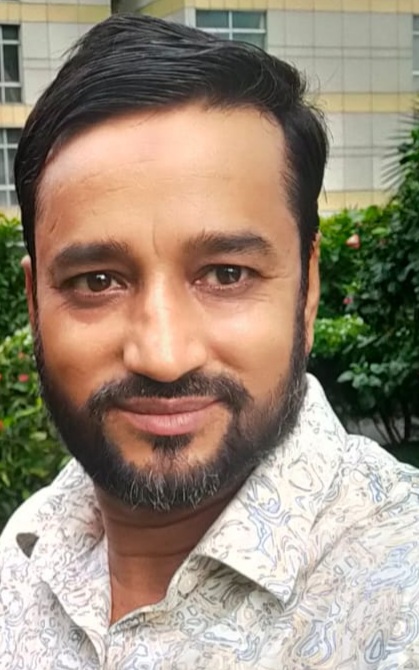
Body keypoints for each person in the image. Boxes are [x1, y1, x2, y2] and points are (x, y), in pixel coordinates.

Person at [0, 13, 418, 669]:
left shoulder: (399, 590)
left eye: (226, 274)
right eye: (97, 281)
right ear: (33, 302)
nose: (164, 356)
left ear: (306, 288)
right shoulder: (25, 544)